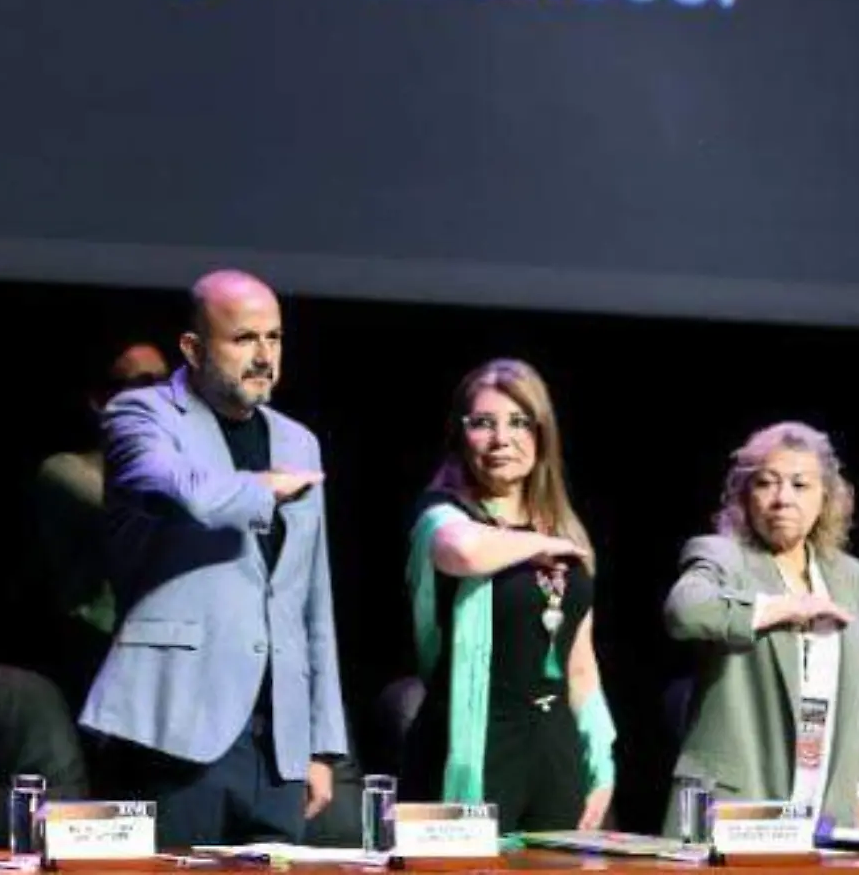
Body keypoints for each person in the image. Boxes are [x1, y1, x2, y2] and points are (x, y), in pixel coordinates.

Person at [81, 270, 346, 847]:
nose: (263, 356)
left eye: (274, 339)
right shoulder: (141, 414)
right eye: (244, 339)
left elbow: (310, 598)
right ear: (193, 348)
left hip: (277, 744)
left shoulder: (298, 442)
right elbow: (179, 490)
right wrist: (261, 489)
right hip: (176, 726)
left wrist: (320, 745)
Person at [405, 360, 614, 831]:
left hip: (552, 747)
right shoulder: (441, 513)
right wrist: (541, 545)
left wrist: (600, 755)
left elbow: (579, 664)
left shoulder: (566, 529)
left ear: (542, 434)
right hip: (472, 741)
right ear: (461, 436)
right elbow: (463, 551)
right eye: (483, 423)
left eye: (519, 422)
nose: (502, 439)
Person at [663, 422, 859, 830]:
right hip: (737, 796)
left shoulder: (846, 574)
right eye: (766, 483)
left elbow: (852, 686)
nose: (782, 499)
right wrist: (779, 608)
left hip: (824, 797)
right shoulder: (723, 556)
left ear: (825, 497)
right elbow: (684, 611)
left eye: (800, 485)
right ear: (745, 495)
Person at [31, 341, 170, 699]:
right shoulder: (66, 472)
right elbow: (147, 517)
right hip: (100, 661)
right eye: (142, 383)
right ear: (101, 401)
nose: (160, 395)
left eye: (165, 382)